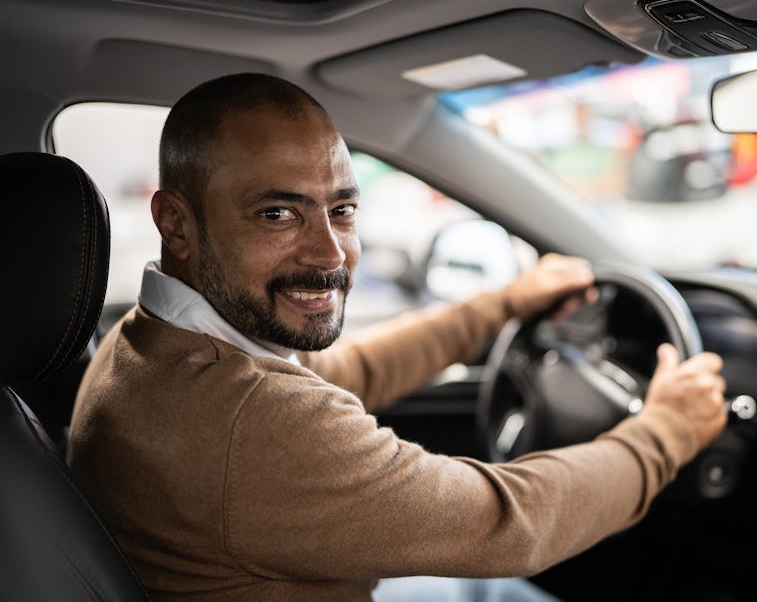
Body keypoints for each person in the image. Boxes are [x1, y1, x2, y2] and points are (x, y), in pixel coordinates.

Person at [67, 73, 727, 602]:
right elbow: (513, 522)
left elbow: (342, 374)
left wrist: (495, 307)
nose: (330, 254)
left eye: (342, 209)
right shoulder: (249, 420)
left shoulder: (146, 343)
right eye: (277, 213)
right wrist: (664, 431)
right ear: (175, 224)